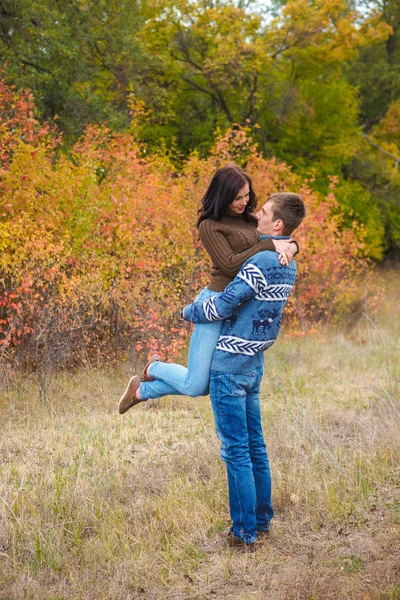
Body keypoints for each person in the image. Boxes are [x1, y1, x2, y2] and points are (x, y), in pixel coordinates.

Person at [181, 192, 306, 551]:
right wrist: (292, 246)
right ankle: (262, 521)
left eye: (264, 212)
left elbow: (222, 304)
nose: (257, 216)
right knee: (255, 445)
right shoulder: (288, 262)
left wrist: (189, 311)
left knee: (236, 449)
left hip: (230, 366)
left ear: (277, 224)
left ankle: (243, 533)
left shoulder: (262, 262)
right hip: (254, 363)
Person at [118, 166, 299, 413]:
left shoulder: (249, 219)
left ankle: (141, 391)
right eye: (237, 198)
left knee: (210, 382)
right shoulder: (210, 226)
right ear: (223, 196)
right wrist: (266, 247)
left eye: (247, 195)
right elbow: (230, 264)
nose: (245, 203)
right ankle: (153, 369)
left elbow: (280, 233)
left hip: (240, 305)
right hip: (215, 302)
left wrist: (292, 247)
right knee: (197, 386)